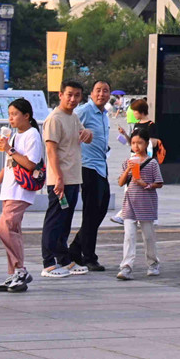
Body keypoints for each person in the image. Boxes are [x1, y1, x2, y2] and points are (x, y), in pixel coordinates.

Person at [0, 99, 44, 292]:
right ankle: (15, 273)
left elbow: (30, 164)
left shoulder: (32, 135)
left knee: (4, 228)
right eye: (9, 114)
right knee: (13, 231)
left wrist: (9, 149)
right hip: (10, 189)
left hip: (21, 190)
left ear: (27, 116)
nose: (11, 118)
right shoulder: (16, 136)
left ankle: (21, 270)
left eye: (15, 114)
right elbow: (8, 166)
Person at [39, 82, 86, 278]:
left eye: (77, 95)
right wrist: (58, 177)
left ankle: (63, 259)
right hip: (60, 178)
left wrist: (89, 133)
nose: (73, 99)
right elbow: (51, 150)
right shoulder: (54, 119)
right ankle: (48, 262)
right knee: (54, 220)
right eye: (69, 95)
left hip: (74, 177)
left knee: (65, 220)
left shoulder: (73, 117)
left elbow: (84, 135)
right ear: (60, 95)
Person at [71, 80, 111, 271]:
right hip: (88, 167)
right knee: (91, 213)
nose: (101, 94)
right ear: (91, 93)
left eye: (105, 91)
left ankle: (75, 249)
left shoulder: (105, 114)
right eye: (98, 91)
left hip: (101, 166)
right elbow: (69, 125)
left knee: (100, 211)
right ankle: (88, 257)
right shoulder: (85, 110)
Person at [114, 132, 162, 280]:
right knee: (129, 236)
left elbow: (159, 183)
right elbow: (121, 182)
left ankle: (153, 263)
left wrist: (146, 185)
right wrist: (128, 169)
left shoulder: (152, 163)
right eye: (133, 143)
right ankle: (126, 267)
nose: (136, 146)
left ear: (146, 143)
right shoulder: (127, 162)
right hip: (129, 204)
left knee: (148, 236)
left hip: (146, 204)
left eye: (139, 143)